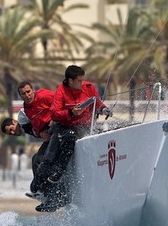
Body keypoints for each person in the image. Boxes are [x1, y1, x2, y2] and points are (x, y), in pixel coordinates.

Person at [35, 65, 111, 212]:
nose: (82, 83)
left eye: (82, 80)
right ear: (70, 80)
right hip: (66, 127)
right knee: (68, 138)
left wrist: (104, 109)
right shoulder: (61, 91)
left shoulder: (88, 87)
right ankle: (57, 174)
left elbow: (98, 103)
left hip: (85, 127)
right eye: (79, 81)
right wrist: (71, 112)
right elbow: (54, 114)